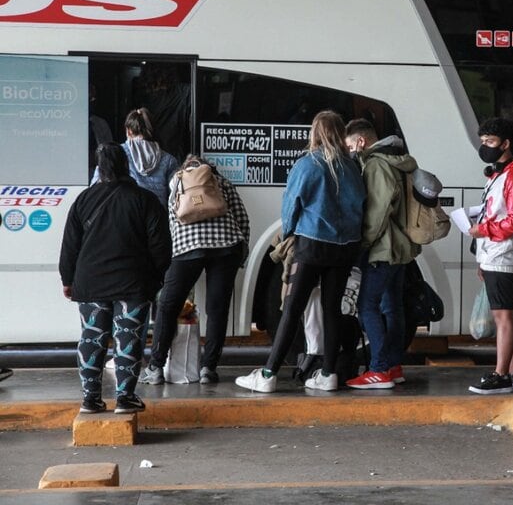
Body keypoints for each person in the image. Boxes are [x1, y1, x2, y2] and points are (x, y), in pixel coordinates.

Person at [236, 111, 364, 393]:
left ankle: (268, 374)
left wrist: (289, 233)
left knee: (293, 308)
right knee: (332, 309)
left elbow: (291, 204)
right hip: (345, 248)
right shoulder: (352, 167)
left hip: (312, 244)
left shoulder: (308, 164)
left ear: (315, 133)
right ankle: (328, 374)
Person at [59, 143, 171, 414]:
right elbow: (161, 247)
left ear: (100, 168)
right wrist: (154, 278)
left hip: (91, 282)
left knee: (92, 338)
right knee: (128, 337)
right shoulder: (144, 200)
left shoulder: (84, 200)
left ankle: (90, 399)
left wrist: (67, 279)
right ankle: (124, 398)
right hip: (133, 283)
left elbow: (70, 245)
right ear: (125, 165)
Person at [139, 156, 250, 385]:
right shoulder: (221, 181)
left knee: (168, 306)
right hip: (226, 245)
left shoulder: (177, 181)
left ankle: (155, 367)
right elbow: (241, 217)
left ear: (184, 168)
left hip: (187, 247)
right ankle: (208, 369)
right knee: (217, 310)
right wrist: (241, 252)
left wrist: (172, 255)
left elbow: (172, 219)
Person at [343, 119, 420, 389]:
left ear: (361, 141)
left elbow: (378, 210)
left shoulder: (376, 164)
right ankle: (393, 366)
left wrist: (364, 243)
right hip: (401, 247)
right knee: (392, 307)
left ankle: (378, 369)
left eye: (350, 146)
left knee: (367, 306)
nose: (350, 151)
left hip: (383, 249)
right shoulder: (398, 159)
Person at [467, 118, 513, 395]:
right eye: (483, 141)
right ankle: (511, 372)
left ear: (505, 144)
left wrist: (482, 230)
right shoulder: (498, 174)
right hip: (495, 253)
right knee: (511, 315)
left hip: (503, 254)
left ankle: (501, 375)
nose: (485, 147)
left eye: (491, 142)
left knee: (503, 317)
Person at [92, 108, 179, 205]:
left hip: (127, 210)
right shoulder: (169, 160)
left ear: (128, 131)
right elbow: (175, 194)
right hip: (158, 211)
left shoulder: (115, 153)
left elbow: (95, 186)